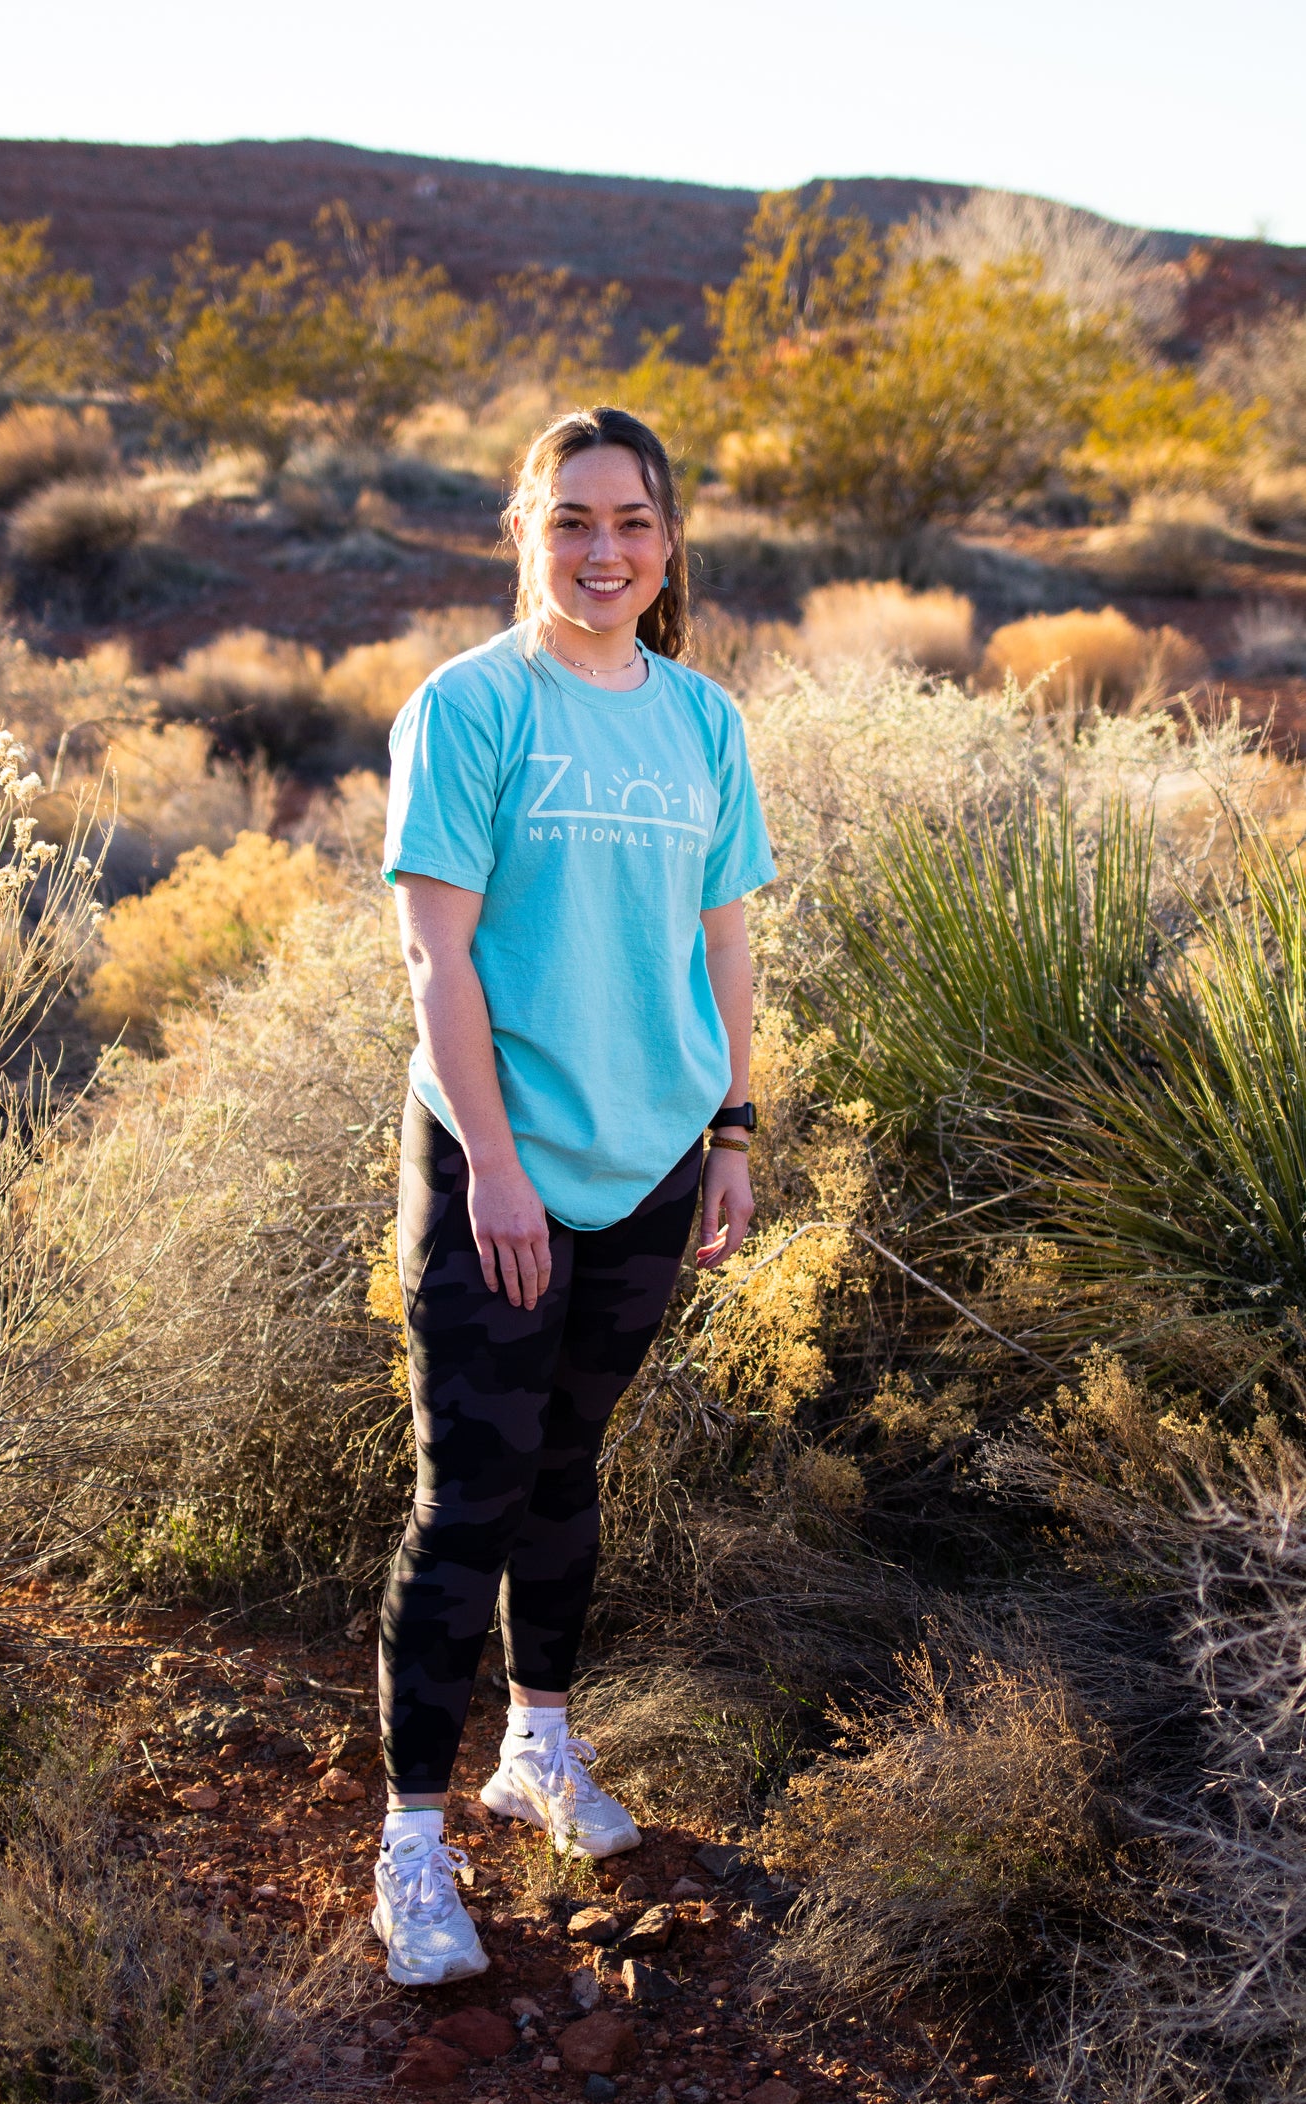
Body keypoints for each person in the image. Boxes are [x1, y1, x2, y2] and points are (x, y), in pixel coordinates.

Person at [373, 406, 775, 1985]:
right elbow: (435, 953)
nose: (603, 553)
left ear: (667, 543)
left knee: (567, 1463)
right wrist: (492, 1164)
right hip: (497, 1165)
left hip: (654, 1158)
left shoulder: (699, 721)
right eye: (572, 522)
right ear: (524, 530)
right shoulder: (470, 707)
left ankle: (538, 1745)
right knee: (464, 1495)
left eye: (632, 524)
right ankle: (410, 1840)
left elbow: (723, 940)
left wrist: (730, 1130)